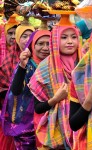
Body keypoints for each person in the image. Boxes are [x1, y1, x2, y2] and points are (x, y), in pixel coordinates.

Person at [28, 25, 82, 149]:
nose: (69, 41)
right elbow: (38, 108)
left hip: (83, 129)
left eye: (74, 37)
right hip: (55, 136)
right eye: (64, 37)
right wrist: (56, 99)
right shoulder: (44, 68)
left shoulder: (86, 63)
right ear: (56, 39)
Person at [1, 29, 51, 150]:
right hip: (26, 122)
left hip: (50, 119)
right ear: (32, 45)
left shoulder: (56, 66)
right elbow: (16, 91)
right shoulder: (26, 65)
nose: (45, 48)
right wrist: (22, 66)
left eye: (48, 43)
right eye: (40, 44)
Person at [0, 20, 35, 150]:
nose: (27, 40)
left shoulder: (39, 59)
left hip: (34, 115)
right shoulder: (9, 59)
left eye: (30, 35)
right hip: (11, 114)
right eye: (23, 36)